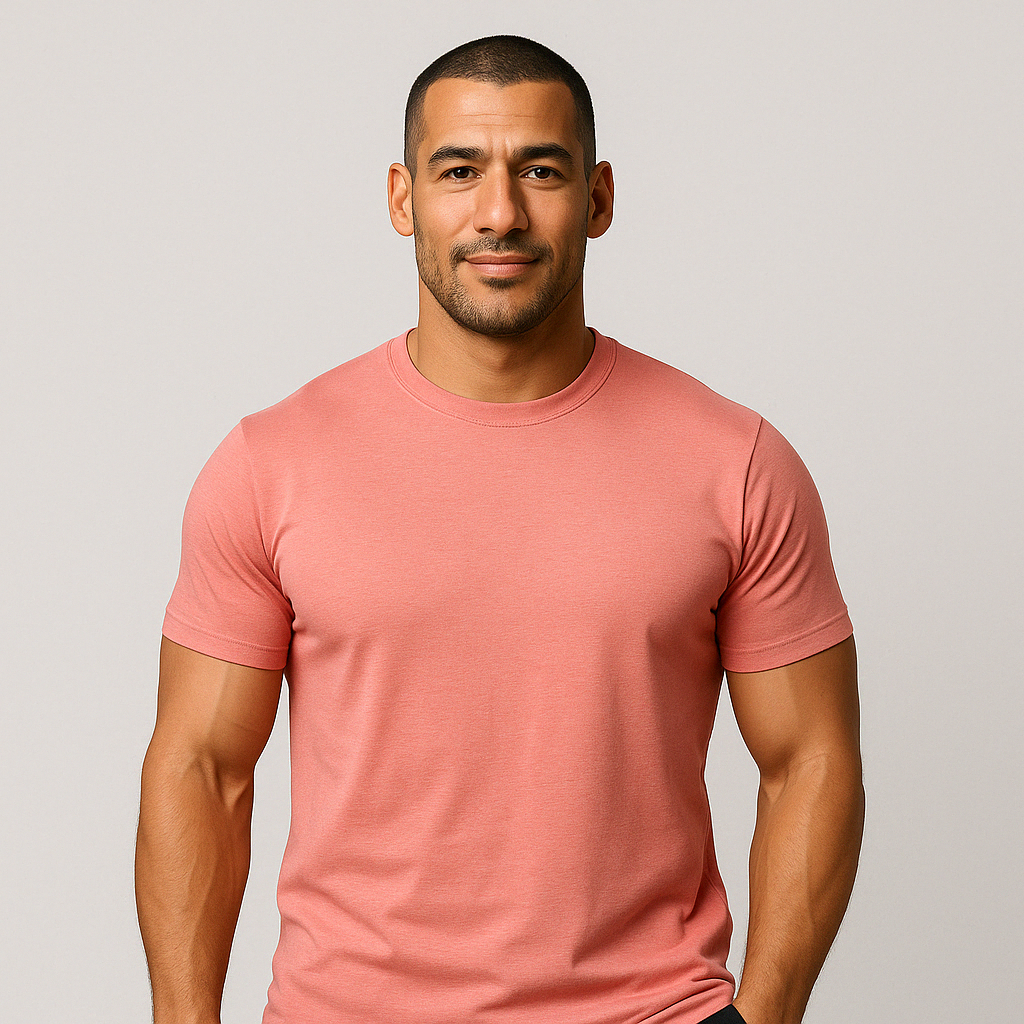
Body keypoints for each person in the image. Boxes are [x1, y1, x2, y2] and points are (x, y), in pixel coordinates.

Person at [135, 34, 864, 1024]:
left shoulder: (735, 463)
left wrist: (764, 1014)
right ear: (402, 199)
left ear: (598, 198)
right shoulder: (271, 465)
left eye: (541, 170)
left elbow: (812, 756)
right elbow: (200, 767)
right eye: (459, 170)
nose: (500, 212)